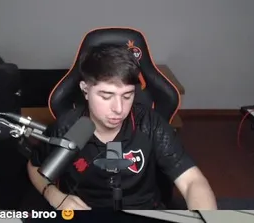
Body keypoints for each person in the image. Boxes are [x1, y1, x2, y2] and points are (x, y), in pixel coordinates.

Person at [27, 43, 217, 211]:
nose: (119, 109)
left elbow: (192, 181)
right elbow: (35, 166)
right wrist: (55, 196)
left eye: (127, 96)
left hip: (144, 217)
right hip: (86, 218)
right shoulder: (67, 126)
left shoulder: (150, 124)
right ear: (85, 90)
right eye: (106, 96)